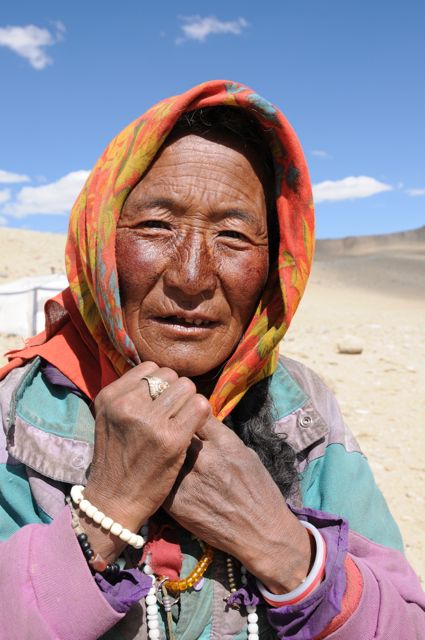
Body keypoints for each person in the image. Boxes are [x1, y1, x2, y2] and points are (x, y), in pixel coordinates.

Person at [0, 80, 424, 640]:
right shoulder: (19, 409)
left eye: (233, 235)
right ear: (98, 239)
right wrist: (108, 508)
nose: (192, 277)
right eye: (156, 226)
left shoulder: (298, 408)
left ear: (275, 263)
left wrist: (280, 544)